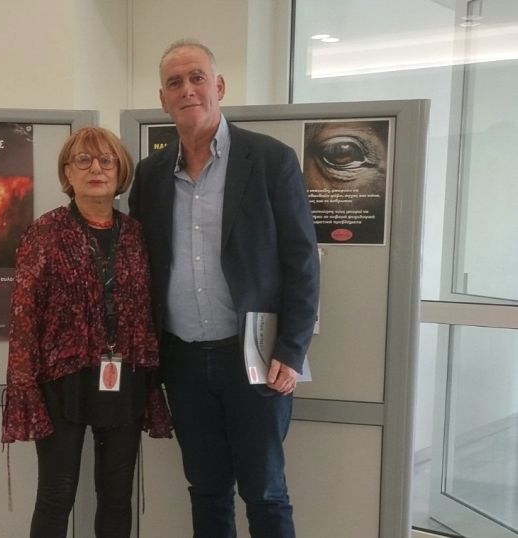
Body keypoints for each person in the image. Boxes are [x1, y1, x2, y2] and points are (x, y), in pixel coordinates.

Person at [128, 39, 320, 538]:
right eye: (174, 82)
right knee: (207, 489)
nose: (187, 90)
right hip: (183, 360)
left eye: (197, 78)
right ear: (163, 99)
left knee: (265, 492)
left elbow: (302, 262)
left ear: (219, 86)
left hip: (256, 357)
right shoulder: (150, 175)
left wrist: (292, 349)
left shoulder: (270, 159)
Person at [2, 127, 172, 538]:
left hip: (124, 377)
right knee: (56, 495)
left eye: (106, 160)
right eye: (83, 160)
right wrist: (23, 382)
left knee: (116, 497)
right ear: (68, 172)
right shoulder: (44, 233)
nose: (96, 169)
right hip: (62, 380)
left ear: (120, 171)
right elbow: (23, 314)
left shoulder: (137, 235)